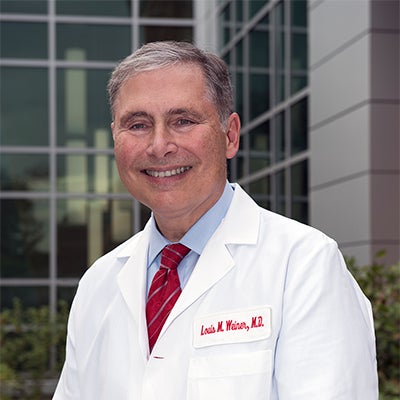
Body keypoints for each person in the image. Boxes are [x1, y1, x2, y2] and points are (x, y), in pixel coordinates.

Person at [53, 41, 378, 400]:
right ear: (115, 136)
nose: (159, 145)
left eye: (183, 121)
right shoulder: (98, 285)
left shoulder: (305, 265)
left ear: (230, 135)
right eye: (138, 124)